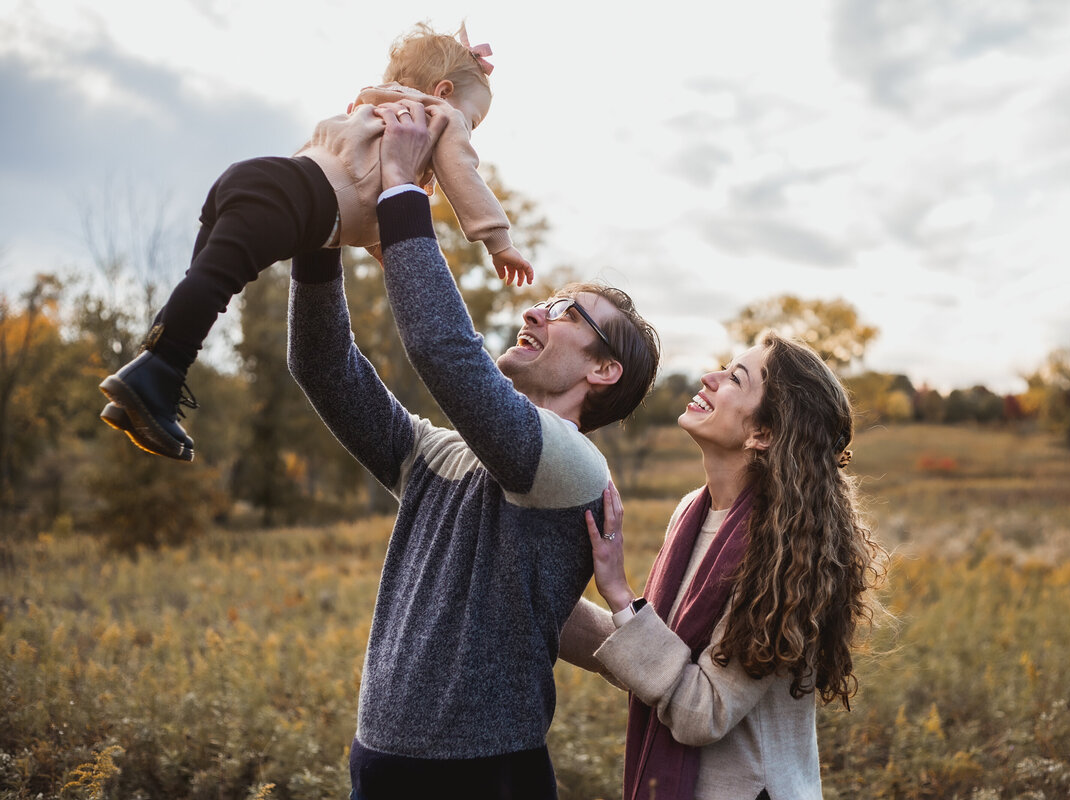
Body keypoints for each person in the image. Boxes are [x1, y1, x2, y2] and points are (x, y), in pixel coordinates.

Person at [287, 97, 660, 798]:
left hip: (483, 776)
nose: (535, 310)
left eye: (566, 313)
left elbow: (444, 351)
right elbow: (323, 367)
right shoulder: (441, 456)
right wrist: (325, 224)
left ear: (601, 370)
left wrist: (402, 190)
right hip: (380, 761)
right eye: (546, 301)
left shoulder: (570, 465)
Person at [98, 22, 531, 462]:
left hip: (258, 179)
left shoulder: (371, 109)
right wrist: (498, 240)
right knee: (212, 286)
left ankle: (146, 381)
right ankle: (155, 377)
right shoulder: (436, 117)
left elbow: (360, 200)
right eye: (473, 120)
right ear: (442, 92)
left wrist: (391, 253)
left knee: (204, 280)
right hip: (291, 200)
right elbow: (463, 174)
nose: (468, 130)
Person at [559, 334, 888, 800]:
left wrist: (617, 592)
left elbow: (701, 709)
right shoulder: (690, 512)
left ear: (764, 433)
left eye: (735, 378)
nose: (709, 379)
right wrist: (536, 597)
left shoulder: (783, 552)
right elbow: (656, 667)